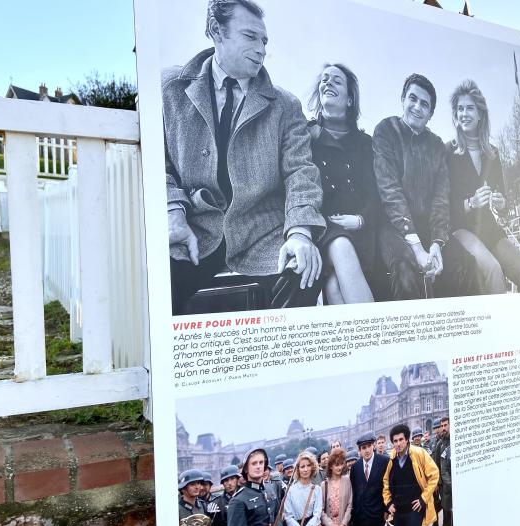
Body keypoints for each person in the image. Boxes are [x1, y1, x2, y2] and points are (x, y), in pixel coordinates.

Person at [163, 0, 326, 315]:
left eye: (264, 40)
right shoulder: (170, 90)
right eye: (250, 37)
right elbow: (160, 163)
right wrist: (172, 212)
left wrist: (299, 233)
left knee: (304, 271)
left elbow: (301, 172)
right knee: (154, 288)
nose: (262, 49)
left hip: (262, 232)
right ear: (216, 31)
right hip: (194, 226)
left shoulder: (286, 105)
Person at [372, 73, 478, 300]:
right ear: (403, 99)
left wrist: (438, 242)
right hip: (394, 227)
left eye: (424, 104)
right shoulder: (385, 131)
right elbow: (390, 191)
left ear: (430, 114)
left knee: (464, 265)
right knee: (405, 269)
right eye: (413, 99)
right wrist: (417, 247)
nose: (417, 107)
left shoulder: (437, 146)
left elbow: (441, 199)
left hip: (429, 228)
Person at [307, 63, 385, 304]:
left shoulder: (365, 143)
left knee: (334, 288)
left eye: (337, 81)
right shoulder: (304, 135)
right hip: (324, 230)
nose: (328, 83)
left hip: (362, 231)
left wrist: (360, 220)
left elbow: (377, 194)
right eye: (325, 79)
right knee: (340, 246)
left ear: (350, 100)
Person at [446, 80, 520, 293]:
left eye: (469, 108)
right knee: (493, 270)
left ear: (480, 113)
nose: (464, 113)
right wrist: (471, 202)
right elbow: (443, 206)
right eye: (459, 109)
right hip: (460, 229)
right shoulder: (447, 152)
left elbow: (503, 201)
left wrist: (502, 203)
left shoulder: (492, 153)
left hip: (489, 228)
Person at [382, 424, 439, 526]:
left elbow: (434, 474)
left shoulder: (419, 453)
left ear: (407, 439)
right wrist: (388, 503)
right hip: (398, 512)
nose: (398, 443)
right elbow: (386, 483)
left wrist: (423, 498)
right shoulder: (392, 459)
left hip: (414, 510)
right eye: (395, 441)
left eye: (401, 439)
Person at [349, 432, 390, 526]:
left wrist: (386, 510)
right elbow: (354, 493)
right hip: (360, 520)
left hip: (377, 518)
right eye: (363, 448)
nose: (366, 450)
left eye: (368, 446)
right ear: (359, 450)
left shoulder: (383, 462)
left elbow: (387, 488)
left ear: (373, 446)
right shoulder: (355, 468)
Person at [438, 417, 453, 526]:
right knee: (447, 512)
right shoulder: (440, 445)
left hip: (454, 482)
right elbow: (438, 466)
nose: (443, 428)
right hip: (445, 487)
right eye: (442, 425)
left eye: (445, 425)